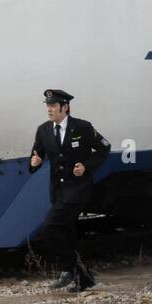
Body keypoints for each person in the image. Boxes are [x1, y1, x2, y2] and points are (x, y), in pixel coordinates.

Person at [29, 89, 111, 290]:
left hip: (77, 190)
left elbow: (104, 148)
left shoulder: (82, 127)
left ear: (65, 107)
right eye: (47, 105)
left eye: (53, 106)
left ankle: (67, 269)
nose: (49, 109)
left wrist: (86, 166)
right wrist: (34, 162)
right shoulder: (43, 130)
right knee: (66, 233)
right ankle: (84, 279)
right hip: (57, 192)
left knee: (50, 228)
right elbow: (35, 158)